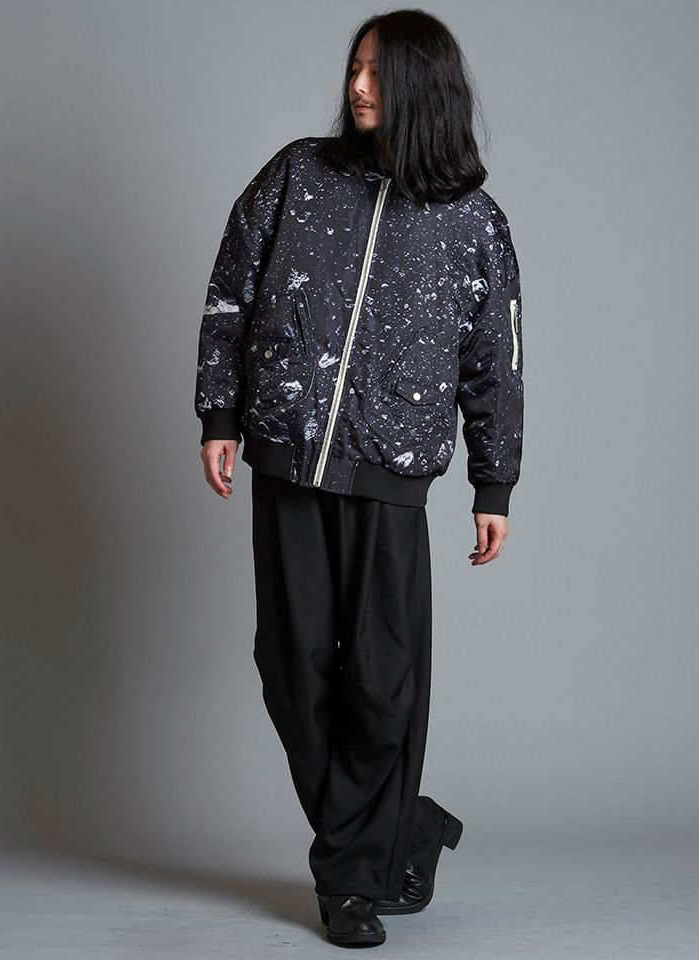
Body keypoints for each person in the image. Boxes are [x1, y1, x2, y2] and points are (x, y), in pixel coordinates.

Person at [194, 9, 523, 948]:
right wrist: (219, 415)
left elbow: (494, 361)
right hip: (287, 454)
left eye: (378, 72)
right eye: (355, 68)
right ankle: (393, 832)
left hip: (393, 471)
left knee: (381, 684)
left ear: (425, 87)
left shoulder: (472, 223)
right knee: (291, 671)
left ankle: (349, 880)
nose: (359, 86)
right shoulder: (298, 175)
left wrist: (494, 484)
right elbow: (230, 291)